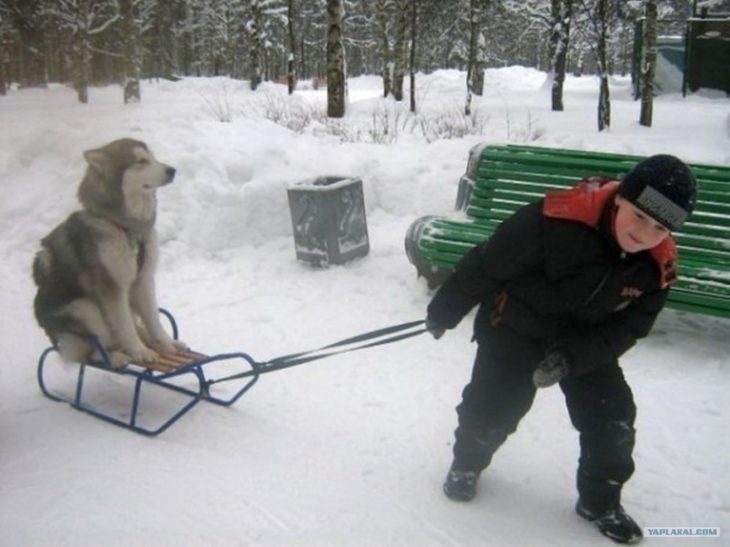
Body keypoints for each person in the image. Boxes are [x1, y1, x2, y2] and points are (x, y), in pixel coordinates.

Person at [425, 155, 697, 545]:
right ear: (621, 198)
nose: (644, 233)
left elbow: (631, 326)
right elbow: (489, 263)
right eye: (638, 216)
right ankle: (467, 463)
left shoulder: (657, 266)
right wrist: (445, 309)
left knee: (613, 418)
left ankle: (600, 501)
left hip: (583, 343)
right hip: (514, 329)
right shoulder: (556, 220)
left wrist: (573, 358)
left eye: (660, 227)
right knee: (492, 407)